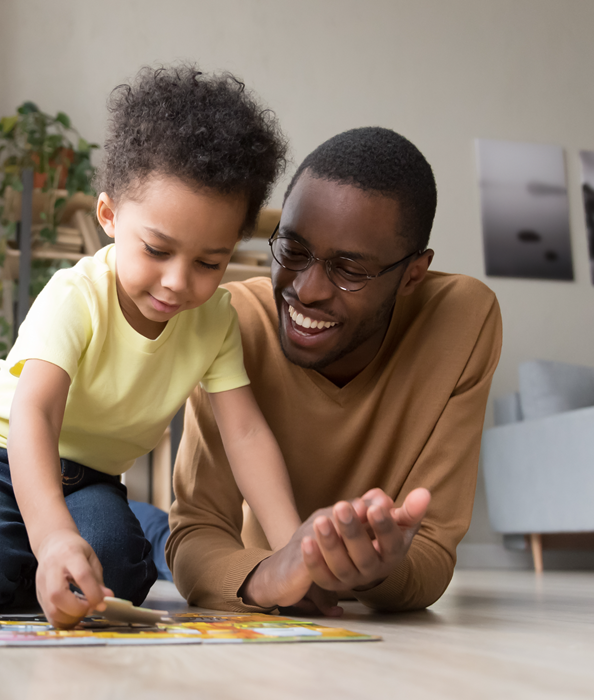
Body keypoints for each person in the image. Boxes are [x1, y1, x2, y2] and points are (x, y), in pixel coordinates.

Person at [0, 64, 297, 628]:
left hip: (90, 477)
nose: (176, 282)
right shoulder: (76, 295)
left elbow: (246, 433)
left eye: (209, 262)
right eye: (158, 250)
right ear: (110, 216)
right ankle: (20, 532)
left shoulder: (216, 321)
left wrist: (293, 550)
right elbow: (35, 415)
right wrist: (56, 539)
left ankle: (86, 530)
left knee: (119, 570)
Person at [163, 126, 503, 614]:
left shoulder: (463, 320)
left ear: (413, 274)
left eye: (349, 270)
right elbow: (196, 533)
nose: (307, 289)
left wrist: (381, 568)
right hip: (258, 562)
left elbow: (430, 556)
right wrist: (270, 576)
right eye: (293, 251)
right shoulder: (233, 321)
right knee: (127, 541)